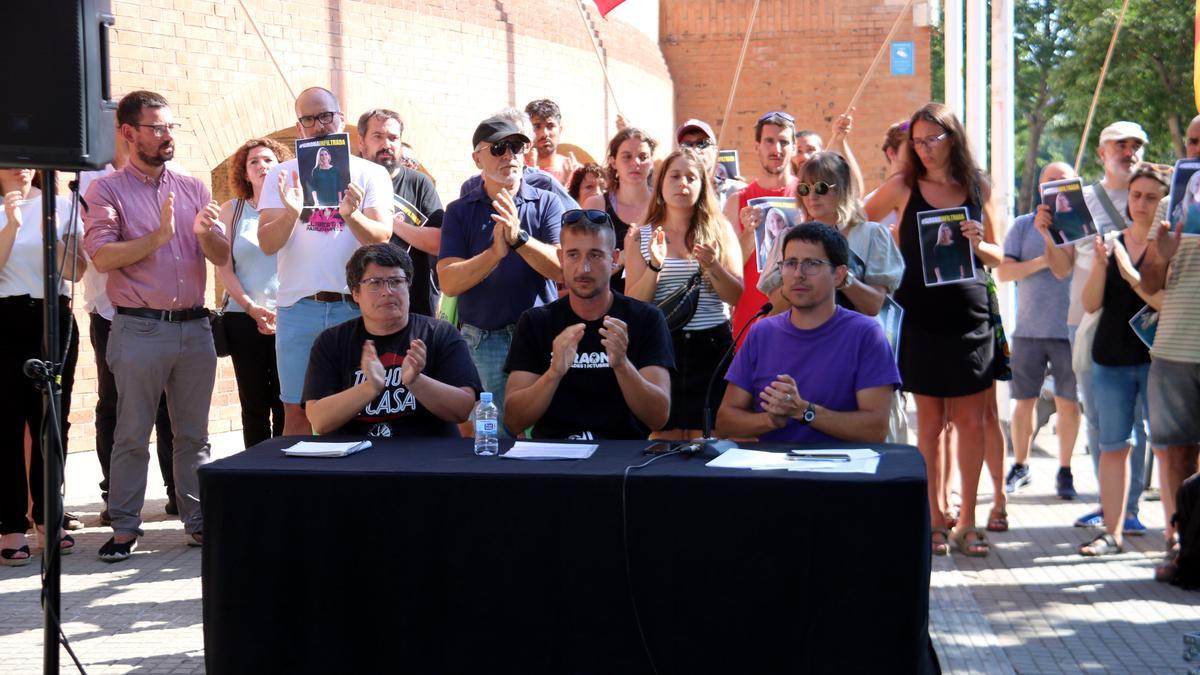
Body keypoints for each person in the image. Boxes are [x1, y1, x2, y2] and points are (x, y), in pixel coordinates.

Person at [83, 90, 231, 561]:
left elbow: (223, 258)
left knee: (194, 435)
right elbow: (102, 256)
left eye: (171, 127)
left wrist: (207, 236)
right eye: (157, 128)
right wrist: (160, 236)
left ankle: (198, 521)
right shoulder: (104, 190)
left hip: (195, 327)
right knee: (132, 431)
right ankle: (125, 527)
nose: (167, 136)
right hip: (139, 328)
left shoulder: (194, 188)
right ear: (128, 133)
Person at [864, 102, 1005, 558]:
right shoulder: (903, 185)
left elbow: (1000, 258)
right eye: (917, 141)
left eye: (933, 140)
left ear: (953, 138)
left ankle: (967, 522)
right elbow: (856, 218)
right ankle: (933, 517)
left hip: (969, 316)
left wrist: (980, 242)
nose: (924, 149)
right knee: (930, 423)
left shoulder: (977, 185)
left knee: (970, 422)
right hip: (920, 317)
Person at [257, 87, 394, 436]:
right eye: (308, 119)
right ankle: (298, 491)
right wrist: (291, 212)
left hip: (356, 307)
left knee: (360, 411)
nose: (318, 126)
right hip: (298, 308)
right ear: (298, 126)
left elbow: (382, 238)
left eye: (325, 116)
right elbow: (267, 244)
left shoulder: (370, 173)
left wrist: (352, 215)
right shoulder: (281, 175)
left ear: (341, 120)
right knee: (297, 414)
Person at [1040, 121, 1150, 530]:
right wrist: (1047, 236)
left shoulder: (1151, 197)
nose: (1129, 152)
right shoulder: (1078, 201)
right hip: (1084, 323)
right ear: (1101, 153)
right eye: (1119, 145)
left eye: (1135, 145)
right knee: (1100, 418)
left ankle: (1131, 510)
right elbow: (1062, 268)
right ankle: (1109, 506)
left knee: (1135, 418)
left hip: (1137, 326)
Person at [717, 223, 900, 442]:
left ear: (839, 275)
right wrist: (769, 421)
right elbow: (725, 423)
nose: (798, 274)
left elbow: (875, 429)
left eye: (812, 264)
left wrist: (804, 411)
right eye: (790, 263)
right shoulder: (761, 332)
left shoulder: (866, 334)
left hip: (841, 472)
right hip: (772, 472)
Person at [437, 115, 564, 430]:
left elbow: (563, 269)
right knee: (492, 441)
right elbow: (449, 282)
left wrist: (519, 240)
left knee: (547, 432)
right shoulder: (459, 211)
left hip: (540, 338)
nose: (510, 155)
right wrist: (494, 254)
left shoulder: (547, 202)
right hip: (483, 340)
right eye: (499, 148)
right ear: (477, 157)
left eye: (517, 146)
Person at [78, 130, 178, 527]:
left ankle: (176, 491)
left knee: (170, 408)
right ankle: (115, 494)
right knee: (115, 407)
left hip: (164, 313)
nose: (159, 137)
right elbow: (96, 251)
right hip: (110, 311)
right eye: (149, 129)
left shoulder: (177, 178)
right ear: (125, 133)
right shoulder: (90, 182)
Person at [504, 210, 673, 438]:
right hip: (555, 457)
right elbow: (513, 421)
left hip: (621, 458)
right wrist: (554, 373)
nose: (584, 268)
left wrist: (622, 364)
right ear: (561, 258)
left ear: (614, 259)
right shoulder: (536, 322)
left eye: (595, 255)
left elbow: (658, 418)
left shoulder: (645, 318)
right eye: (573, 255)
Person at [1076, 163, 1167, 556]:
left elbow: (1164, 301)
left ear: (1164, 201)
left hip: (1158, 360)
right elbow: (1091, 303)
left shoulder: (1171, 245)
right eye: (1135, 196)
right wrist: (1100, 265)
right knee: (1114, 445)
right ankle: (1111, 533)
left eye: (1150, 197)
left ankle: (1175, 535)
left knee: (1167, 447)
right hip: (1110, 359)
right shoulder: (1111, 242)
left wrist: (1132, 275)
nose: (1141, 204)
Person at [625, 148, 743, 440]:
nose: (683, 183)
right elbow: (634, 304)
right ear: (661, 184)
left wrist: (712, 265)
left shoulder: (721, 230)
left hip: (713, 346)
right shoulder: (642, 235)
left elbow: (737, 296)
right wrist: (655, 265)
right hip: (664, 347)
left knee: (711, 437)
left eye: (691, 177)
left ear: (703, 185)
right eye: (675, 176)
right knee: (663, 436)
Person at [0, 169, 87, 565]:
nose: (22, 165)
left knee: (51, 422)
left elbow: (75, 273)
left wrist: (58, 234)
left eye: (29, 158)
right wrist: (12, 225)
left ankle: (48, 518)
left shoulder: (62, 206)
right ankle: (10, 525)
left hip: (53, 318)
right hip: (5, 318)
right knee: (7, 425)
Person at [303, 243, 479, 436]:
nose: (387, 291)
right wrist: (369, 388)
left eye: (396, 281)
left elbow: (463, 409)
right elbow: (319, 421)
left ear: (408, 287)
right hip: (355, 458)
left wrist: (416, 381)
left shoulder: (439, 334)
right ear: (355, 294)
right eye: (375, 283)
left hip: (426, 457)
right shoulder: (331, 342)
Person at [997, 162, 1082, 513]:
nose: (1056, 187)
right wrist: (1041, 262)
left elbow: (1074, 269)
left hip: (1068, 329)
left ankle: (1065, 469)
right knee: (1023, 402)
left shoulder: (1080, 225)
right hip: (1030, 329)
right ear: (1040, 189)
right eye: (1050, 182)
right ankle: (1021, 464)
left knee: (1068, 403)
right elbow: (1004, 271)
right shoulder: (1021, 225)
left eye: (1063, 181)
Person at [761, 151, 903, 318]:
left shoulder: (873, 234)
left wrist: (843, 279)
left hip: (855, 340)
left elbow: (874, 306)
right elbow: (775, 310)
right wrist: (796, 278)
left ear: (843, 188)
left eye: (821, 187)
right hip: (803, 340)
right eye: (804, 188)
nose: (812, 196)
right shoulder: (788, 239)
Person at [1141, 183, 1200, 582]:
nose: (1196, 148)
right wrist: (1161, 259)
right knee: (1178, 456)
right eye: (1193, 141)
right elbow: (1148, 283)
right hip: (1176, 347)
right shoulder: (1172, 202)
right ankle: (1184, 549)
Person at [215, 138, 289, 448]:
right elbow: (224, 267)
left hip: (288, 317)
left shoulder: (293, 209)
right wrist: (250, 307)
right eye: (254, 162)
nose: (262, 166)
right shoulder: (232, 210)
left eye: (269, 160)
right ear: (244, 173)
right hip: (243, 318)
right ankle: (254, 472)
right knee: (254, 403)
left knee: (287, 401)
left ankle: (286, 473)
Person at [357, 108, 445, 317]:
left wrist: (389, 222)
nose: (386, 144)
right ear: (361, 142)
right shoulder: (350, 179)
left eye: (393, 138)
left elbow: (438, 241)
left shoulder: (419, 183)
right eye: (377, 136)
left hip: (412, 308)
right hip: (357, 307)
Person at [724, 111, 797, 346]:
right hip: (751, 321)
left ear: (794, 147)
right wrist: (748, 234)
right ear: (757, 146)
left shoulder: (808, 195)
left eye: (784, 142)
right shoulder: (738, 200)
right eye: (769, 141)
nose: (777, 148)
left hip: (800, 319)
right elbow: (728, 268)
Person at [582, 127, 658, 292]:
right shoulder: (596, 205)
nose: (635, 163)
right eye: (627, 157)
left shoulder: (663, 205)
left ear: (652, 162)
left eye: (643, 157)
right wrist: (622, 258)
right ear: (613, 162)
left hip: (659, 304)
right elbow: (585, 267)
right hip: (609, 305)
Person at [460, 108, 580, 211]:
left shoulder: (544, 182)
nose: (507, 153)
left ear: (527, 145)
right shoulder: (471, 186)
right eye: (499, 145)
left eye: (516, 143)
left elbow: (578, 220)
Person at [676, 117, 745, 211]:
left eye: (702, 143)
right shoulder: (673, 192)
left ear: (715, 151)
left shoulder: (737, 191)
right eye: (687, 145)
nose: (695, 149)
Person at [525, 99, 581, 187]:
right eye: (537, 126)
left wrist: (564, 182)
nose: (545, 134)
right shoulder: (516, 168)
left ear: (560, 130)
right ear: (527, 131)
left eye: (550, 126)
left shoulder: (574, 171)